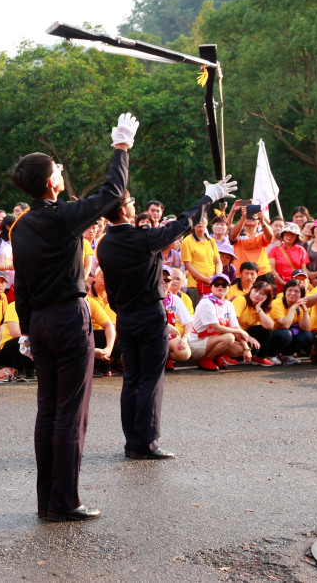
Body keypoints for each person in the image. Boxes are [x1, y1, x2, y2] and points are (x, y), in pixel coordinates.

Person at [9, 111, 138, 522]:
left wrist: (27, 329)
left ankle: (48, 500)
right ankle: (64, 501)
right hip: (66, 318)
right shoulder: (61, 216)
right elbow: (114, 192)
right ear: (50, 183)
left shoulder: (20, 225)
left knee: (48, 409)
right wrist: (120, 148)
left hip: (41, 323)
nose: (62, 172)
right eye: (57, 169)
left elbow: (23, 284)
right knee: (71, 412)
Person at [97, 177, 230, 460]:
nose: (135, 205)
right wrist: (207, 198)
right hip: (147, 315)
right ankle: (146, 444)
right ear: (122, 211)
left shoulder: (105, 243)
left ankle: (133, 442)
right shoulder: (141, 239)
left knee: (132, 379)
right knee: (151, 380)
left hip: (126, 317)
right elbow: (182, 222)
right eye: (131, 203)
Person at [188, 274, 260, 371]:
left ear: (229, 288)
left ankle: (215, 356)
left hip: (214, 340)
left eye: (224, 284)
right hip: (197, 342)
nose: (220, 287)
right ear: (211, 287)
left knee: (241, 349)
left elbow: (236, 327)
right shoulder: (206, 302)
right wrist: (239, 332)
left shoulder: (228, 304)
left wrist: (246, 348)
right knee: (229, 337)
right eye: (216, 284)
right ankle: (207, 359)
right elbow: (216, 328)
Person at [231, 280, 291, 366]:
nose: (257, 295)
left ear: (267, 297)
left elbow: (270, 326)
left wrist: (259, 309)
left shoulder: (261, 307)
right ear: (251, 290)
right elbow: (233, 324)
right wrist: (249, 337)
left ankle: (259, 357)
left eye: (262, 294)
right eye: (255, 291)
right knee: (252, 347)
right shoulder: (241, 300)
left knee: (266, 331)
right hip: (233, 333)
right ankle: (232, 356)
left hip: (243, 334)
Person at [180, 215, 222, 306]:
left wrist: (217, 277)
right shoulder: (187, 241)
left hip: (212, 285)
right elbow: (188, 265)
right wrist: (204, 279)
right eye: (197, 219)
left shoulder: (211, 241)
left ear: (207, 222)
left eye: (202, 219)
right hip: (196, 286)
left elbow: (218, 261)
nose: (200, 222)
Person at [230, 205, 274, 281]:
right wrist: (242, 219)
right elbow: (232, 236)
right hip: (241, 274)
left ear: (258, 219)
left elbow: (270, 236)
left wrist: (263, 221)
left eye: (254, 215)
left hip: (262, 273)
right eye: (248, 215)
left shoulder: (262, 233)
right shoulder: (237, 232)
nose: (250, 217)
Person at [269, 222, 309, 292]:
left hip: (297, 284)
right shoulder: (274, 250)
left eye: (293, 235)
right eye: (287, 234)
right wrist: (282, 282)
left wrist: (304, 283)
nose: (289, 237)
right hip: (279, 284)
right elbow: (272, 269)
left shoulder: (301, 249)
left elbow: (304, 269)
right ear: (283, 235)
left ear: (296, 237)